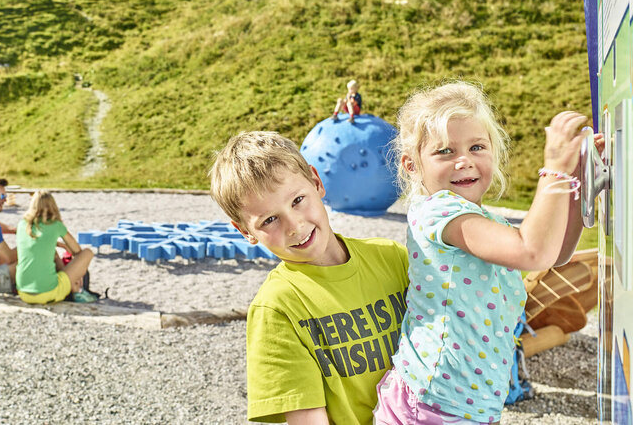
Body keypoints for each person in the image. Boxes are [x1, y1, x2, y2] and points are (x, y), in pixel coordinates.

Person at [374, 81, 589, 424]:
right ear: (412, 166)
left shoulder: (483, 218)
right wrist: (555, 170)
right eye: (444, 152)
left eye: (477, 147)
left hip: (468, 403)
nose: (464, 161)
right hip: (432, 403)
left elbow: (552, 253)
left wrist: (577, 182)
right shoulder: (438, 212)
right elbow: (531, 253)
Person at [209, 131, 409, 424]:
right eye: (269, 220)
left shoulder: (394, 258)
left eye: (298, 200)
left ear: (317, 182)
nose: (294, 225)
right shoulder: (278, 309)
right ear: (245, 232)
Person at [15, 191, 98, 304]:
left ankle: (75, 289)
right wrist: (65, 246)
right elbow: (77, 251)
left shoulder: (22, 224)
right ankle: (76, 291)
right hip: (47, 293)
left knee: (52, 254)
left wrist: (56, 244)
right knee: (87, 253)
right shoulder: (55, 225)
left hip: (24, 293)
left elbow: (38, 245)